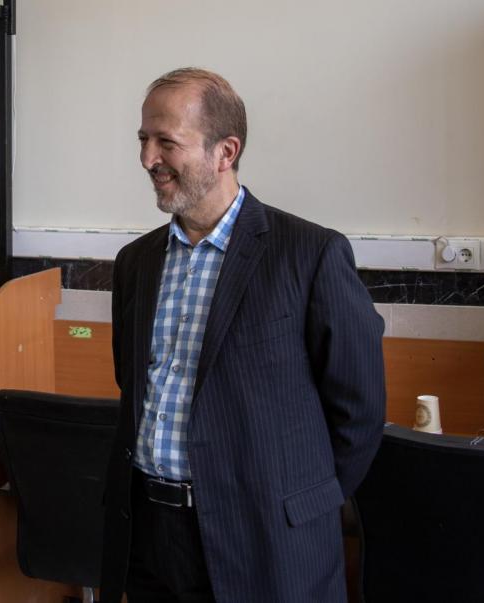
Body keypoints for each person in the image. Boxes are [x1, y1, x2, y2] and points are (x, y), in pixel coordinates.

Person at [100, 68, 386, 602]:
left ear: (225, 152)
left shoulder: (309, 255)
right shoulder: (135, 263)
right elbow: (130, 382)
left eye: (166, 142)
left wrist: (299, 504)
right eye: (143, 139)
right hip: (151, 539)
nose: (147, 159)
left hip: (267, 544)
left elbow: (360, 410)